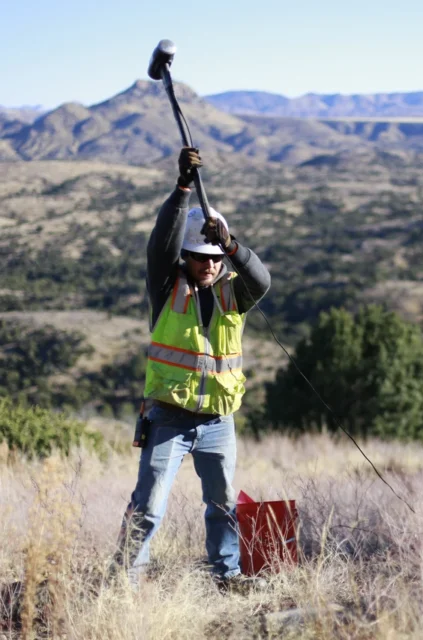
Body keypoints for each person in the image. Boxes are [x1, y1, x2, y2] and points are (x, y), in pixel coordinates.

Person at [117, 147, 271, 591]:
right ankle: (126, 584)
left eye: (214, 258)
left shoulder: (232, 293)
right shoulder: (167, 285)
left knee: (222, 504)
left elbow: (261, 280)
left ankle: (228, 576)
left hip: (219, 421)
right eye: (199, 256)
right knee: (147, 506)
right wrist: (182, 189)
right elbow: (158, 244)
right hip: (168, 416)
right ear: (185, 256)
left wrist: (231, 245)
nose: (208, 264)